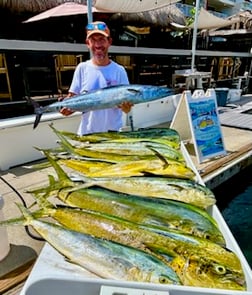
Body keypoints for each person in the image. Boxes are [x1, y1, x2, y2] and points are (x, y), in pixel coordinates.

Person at [60, 21, 133, 135]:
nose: (98, 45)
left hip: (112, 136)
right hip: (86, 135)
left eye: (102, 39)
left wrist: (126, 107)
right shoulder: (82, 68)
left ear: (109, 42)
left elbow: (127, 109)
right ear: (87, 43)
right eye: (93, 40)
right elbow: (72, 99)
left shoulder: (120, 71)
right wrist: (65, 108)